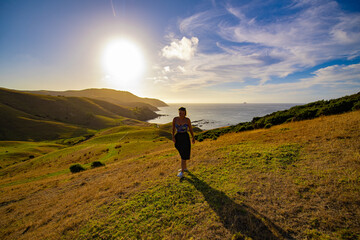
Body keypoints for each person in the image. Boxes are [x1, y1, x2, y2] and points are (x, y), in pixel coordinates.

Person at [172, 107, 195, 178]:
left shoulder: (187, 120)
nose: (180, 114)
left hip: (185, 137)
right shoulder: (175, 119)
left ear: (185, 113)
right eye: (179, 113)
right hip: (178, 137)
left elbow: (190, 129)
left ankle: (182, 172)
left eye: (182, 113)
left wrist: (193, 137)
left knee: (183, 154)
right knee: (181, 153)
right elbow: (173, 129)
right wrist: (173, 137)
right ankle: (184, 168)